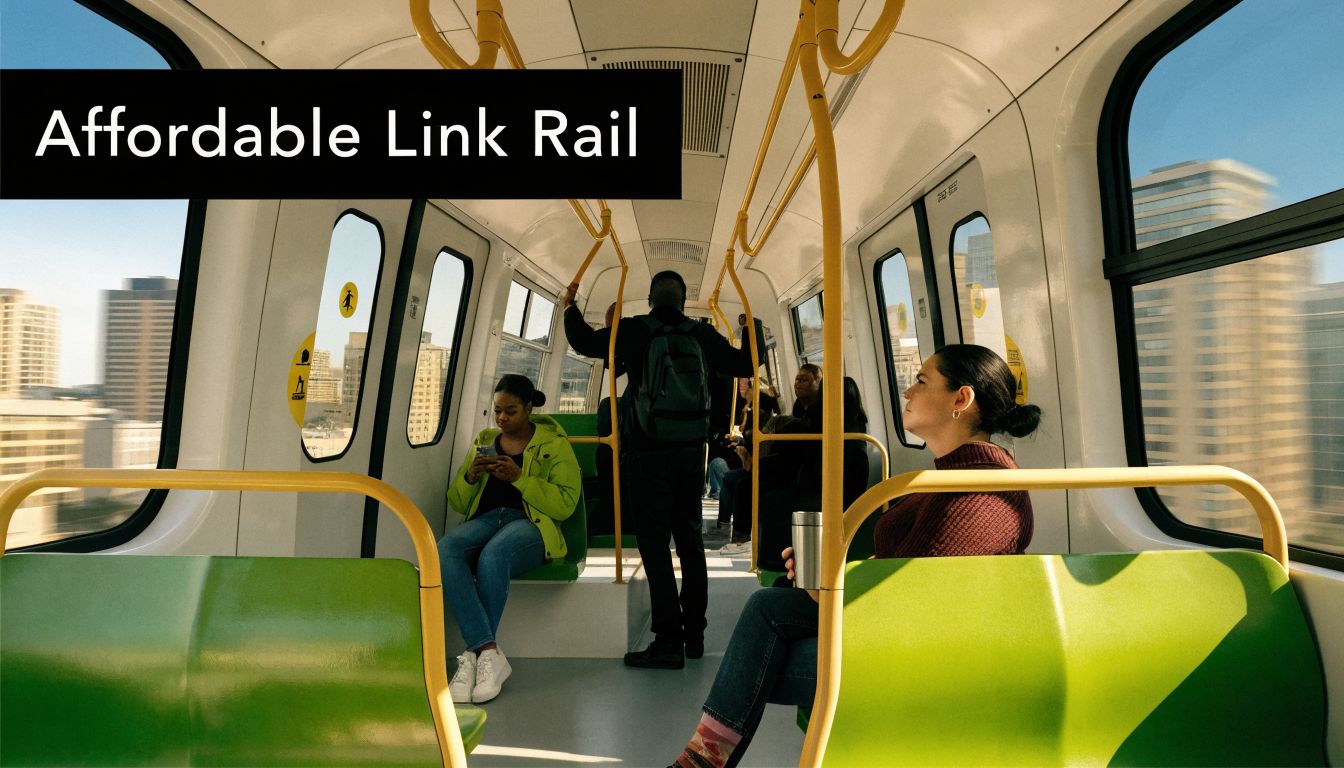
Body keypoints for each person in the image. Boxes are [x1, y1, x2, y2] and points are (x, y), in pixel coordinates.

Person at [670, 344, 1042, 768]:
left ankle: (700, 762)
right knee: (769, 604)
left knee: (763, 657)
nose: (907, 392)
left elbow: (908, 606)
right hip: (908, 634)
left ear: (961, 400)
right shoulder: (956, 476)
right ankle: (700, 762)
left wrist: (821, 588)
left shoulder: (979, 494)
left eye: (921, 381)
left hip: (924, 662)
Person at [563, 270, 759, 669]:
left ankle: (668, 640)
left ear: (651, 299)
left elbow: (583, 341)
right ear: (684, 301)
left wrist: (570, 306)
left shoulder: (635, 331)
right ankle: (696, 635)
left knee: (655, 545)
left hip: (647, 453)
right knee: (690, 542)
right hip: (691, 453)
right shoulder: (701, 335)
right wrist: (750, 327)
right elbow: (744, 363)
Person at [440, 374, 581, 704]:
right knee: (444, 549)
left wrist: (520, 480)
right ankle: (486, 651)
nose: (502, 419)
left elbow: (564, 504)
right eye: (498, 411)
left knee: (494, 555)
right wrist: (472, 475)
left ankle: (475, 657)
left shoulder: (554, 445)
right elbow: (458, 502)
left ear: (529, 409)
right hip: (488, 518)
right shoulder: (486, 439)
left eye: (511, 411)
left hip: (531, 523)